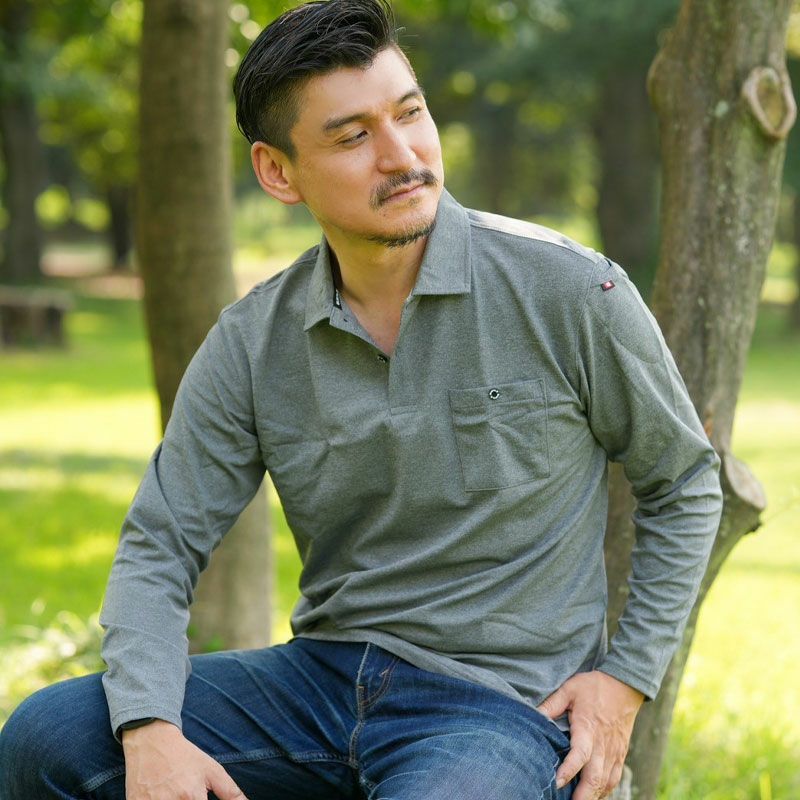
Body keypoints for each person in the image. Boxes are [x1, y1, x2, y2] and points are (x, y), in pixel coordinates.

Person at [0, 1, 723, 798]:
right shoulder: (253, 340)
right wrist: (150, 728)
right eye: (352, 137)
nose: (402, 155)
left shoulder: (571, 290)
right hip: (319, 684)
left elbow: (684, 481)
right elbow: (161, 542)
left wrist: (625, 683)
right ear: (278, 172)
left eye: (410, 114)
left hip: (499, 706)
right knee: (47, 736)